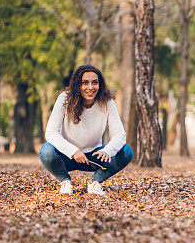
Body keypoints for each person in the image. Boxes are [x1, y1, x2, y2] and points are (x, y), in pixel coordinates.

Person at [40, 65, 133, 195]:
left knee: (126, 151)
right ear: (78, 85)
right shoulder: (64, 99)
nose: (90, 87)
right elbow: (51, 133)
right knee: (46, 151)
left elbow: (120, 135)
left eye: (95, 82)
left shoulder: (107, 102)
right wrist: (73, 151)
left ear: (100, 85)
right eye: (85, 83)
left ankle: (95, 182)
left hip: (93, 157)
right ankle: (65, 182)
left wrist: (107, 150)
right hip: (66, 156)